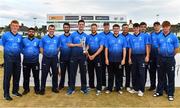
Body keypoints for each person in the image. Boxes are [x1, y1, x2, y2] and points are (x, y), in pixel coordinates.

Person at [154, 21, 179, 101]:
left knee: (170, 77)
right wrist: (162, 53)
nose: (165, 28)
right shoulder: (159, 36)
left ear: (169, 27)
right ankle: (159, 91)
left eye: (166, 27)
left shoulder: (173, 36)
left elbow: (176, 48)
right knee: (161, 76)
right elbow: (158, 47)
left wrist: (171, 55)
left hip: (170, 59)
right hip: (161, 58)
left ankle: (170, 94)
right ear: (162, 27)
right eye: (164, 27)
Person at [2, 20, 23, 100]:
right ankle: (6, 94)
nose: (15, 27)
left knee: (16, 76)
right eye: (13, 26)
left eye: (16, 26)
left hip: (17, 59)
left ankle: (15, 91)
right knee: (7, 77)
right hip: (8, 59)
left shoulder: (20, 37)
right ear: (10, 26)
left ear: (18, 27)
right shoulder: (5, 35)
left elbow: (20, 47)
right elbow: (3, 45)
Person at [128, 23, 151, 97]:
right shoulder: (131, 37)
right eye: (134, 28)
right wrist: (129, 58)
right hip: (134, 57)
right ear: (133, 29)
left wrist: (147, 56)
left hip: (142, 56)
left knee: (141, 73)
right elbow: (130, 48)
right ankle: (135, 88)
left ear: (139, 28)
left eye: (137, 28)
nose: (135, 29)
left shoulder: (144, 36)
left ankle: (141, 90)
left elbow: (147, 46)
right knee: (134, 73)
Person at [67, 20, 88, 95]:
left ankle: (84, 88)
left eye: (82, 24)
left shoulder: (86, 35)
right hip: (74, 56)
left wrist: (86, 50)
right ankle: (72, 88)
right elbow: (69, 44)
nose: (81, 26)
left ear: (84, 25)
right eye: (80, 24)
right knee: (73, 73)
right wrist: (77, 45)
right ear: (78, 25)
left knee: (83, 73)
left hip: (83, 57)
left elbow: (87, 45)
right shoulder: (73, 34)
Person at [105, 24, 126, 94]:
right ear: (113, 29)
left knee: (119, 75)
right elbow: (106, 49)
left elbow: (124, 49)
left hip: (119, 60)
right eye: (114, 28)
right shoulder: (109, 38)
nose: (116, 30)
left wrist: (123, 59)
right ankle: (109, 89)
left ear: (119, 29)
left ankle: (118, 88)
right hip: (110, 60)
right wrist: (106, 59)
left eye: (117, 28)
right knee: (110, 75)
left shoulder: (123, 38)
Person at [39, 25, 60, 95]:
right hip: (46, 58)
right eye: (50, 29)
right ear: (48, 30)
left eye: (53, 29)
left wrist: (55, 53)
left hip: (54, 58)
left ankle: (55, 88)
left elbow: (58, 47)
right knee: (44, 74)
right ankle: (42, 88)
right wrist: (44, 55)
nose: (52, 30)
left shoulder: (57, 38)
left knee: (55, 73)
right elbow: (41, 48)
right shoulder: (44, 38)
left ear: (54, 30)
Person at [86, 23, 104, 95]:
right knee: (90, 72)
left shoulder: (100, 37)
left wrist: (94, 55)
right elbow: (87, 46)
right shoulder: (88, 37)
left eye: (94, 28)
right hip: (89, 56)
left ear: (97, 28)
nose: (93, 29)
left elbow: (101, 47)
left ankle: (99, 88)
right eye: (92, 28)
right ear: (91, 28)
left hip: (97, 57)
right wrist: (87, 53)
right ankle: (91, 86)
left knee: (98, 73)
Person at [22, 27, 40, 95]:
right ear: (28, 32)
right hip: (26, 62)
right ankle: (26, 89)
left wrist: (36, 53)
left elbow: (40, 49)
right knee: (26, 76)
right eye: (30, 31)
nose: (31, 33)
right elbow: (21, 49)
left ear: (34, 33)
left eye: (32, 32)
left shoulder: (38, 40)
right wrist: (26, 53)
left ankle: (37, 89)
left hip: (35, 62)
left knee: (36, 76)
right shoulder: (23, 40)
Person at [99, 22, 113, 90]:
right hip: (101, 53)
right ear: (103, 26)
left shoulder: (112, 35)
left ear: (109, 26)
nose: (106, 27)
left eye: (107, 26)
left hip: (110, 53)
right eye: (105, 26)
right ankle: (103, 84)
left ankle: (110, 85)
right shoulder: (100, 35)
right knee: (102, 70)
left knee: (110, 71)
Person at [58, 23, 72, 90]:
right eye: (65, 27)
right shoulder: (60, 37)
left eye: (67, 27)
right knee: (62, 73)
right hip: (62, 57)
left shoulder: (72, 36)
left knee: (70, 73)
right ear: (63, 28)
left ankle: (70, 85)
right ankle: (61, 85)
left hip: (71, 58)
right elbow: (58, 48)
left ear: (69, 28)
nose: (66, 28)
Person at [120, 24, 132, 92]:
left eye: (126, 28)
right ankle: (120, 85)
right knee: (120, 71)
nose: (125, 29)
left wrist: (130, 57)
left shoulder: (131, 36)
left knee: (128, 71)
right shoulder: (119, 36)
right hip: (120, 54)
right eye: (124, 28)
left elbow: (131, 47)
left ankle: (127, 85)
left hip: (128, 55)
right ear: (122, 28)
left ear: (128, 29)